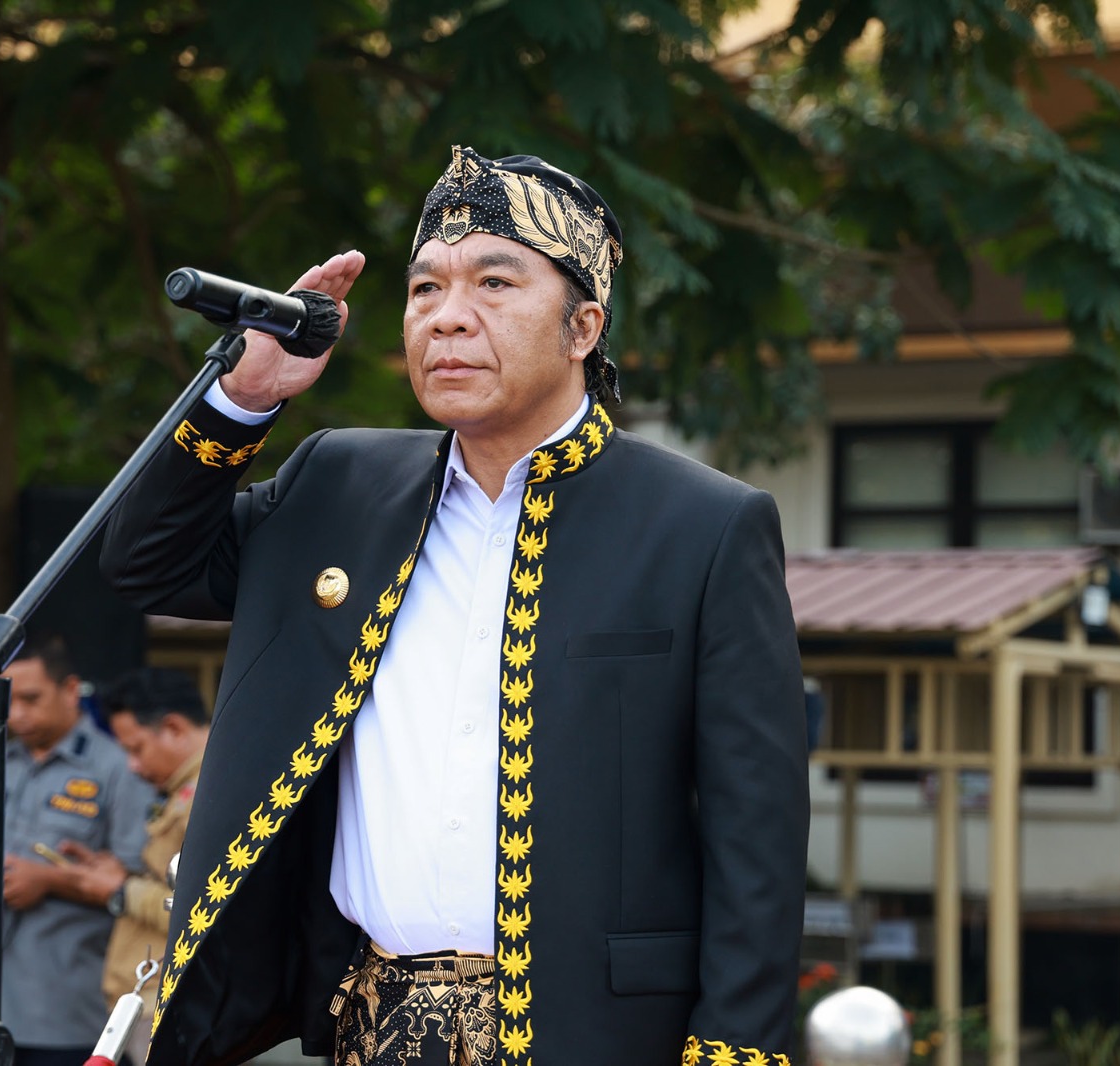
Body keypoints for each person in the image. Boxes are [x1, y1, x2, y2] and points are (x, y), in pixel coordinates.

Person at [101, 145, 808, 1065]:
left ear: (583, 327)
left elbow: (758, 836)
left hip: (597, 1037)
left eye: (495, 284)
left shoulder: (703, 527)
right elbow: (146, 563)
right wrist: (244, 397)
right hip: (367, 1024)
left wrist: (732, 1052)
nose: (448, 319)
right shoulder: (338, 485)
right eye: (424, 289)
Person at [0, 636, 155, 1066]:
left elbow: (140, 884)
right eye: (9, 700)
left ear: (70, 690)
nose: (17, 714)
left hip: (66, 1010)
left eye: (32, 699)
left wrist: (50, 880)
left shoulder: (118, 767)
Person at [61, 668, 211, 1066]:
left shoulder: (209, 796)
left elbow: (208, 908)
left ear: (174, 729)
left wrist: (118, 890)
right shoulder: (191, 786)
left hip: (171, 1001)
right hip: (153, 999)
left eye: (136, 748)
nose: (131, 766)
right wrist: (121, 878)